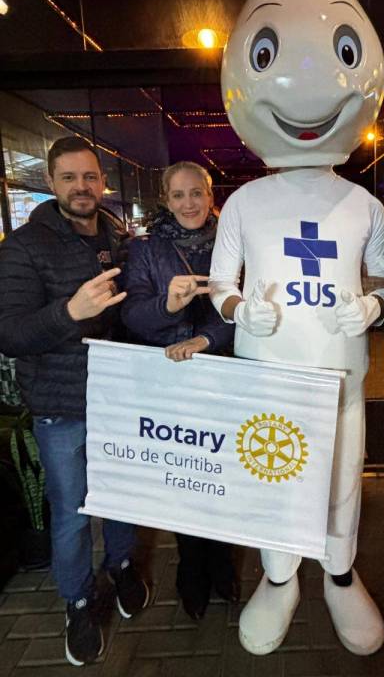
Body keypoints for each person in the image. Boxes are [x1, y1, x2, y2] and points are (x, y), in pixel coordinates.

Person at [210, 0, 384, 657]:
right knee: (273, 471)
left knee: (345, 472)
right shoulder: (244, 203)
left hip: (342, 370)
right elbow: (221, 281)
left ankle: (340, 573)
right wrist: (238, 309)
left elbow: (382, 275)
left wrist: (372, 304)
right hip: (269, 371)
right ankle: (280, 574)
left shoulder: (365, 204)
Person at [0, 136, 149, 667]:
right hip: (61, 407)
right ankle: (79, 601)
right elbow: (10, 334)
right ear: (50, 182)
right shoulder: (22, 246)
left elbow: (133, 317)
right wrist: (69, 312)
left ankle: (122, 565)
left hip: (119, 399)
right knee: (71, 512)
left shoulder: (119, 240)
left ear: (102, 182)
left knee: (123, 495)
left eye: (89, 177)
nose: (81, 187)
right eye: (68, 178)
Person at [121, 160, 237, 619]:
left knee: (222, 471)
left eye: (197, 193)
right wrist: (168, 306)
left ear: (210, 196)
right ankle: (191, 566)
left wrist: (206, 339)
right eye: (178, 195)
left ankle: (222, 561)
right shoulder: (146, 250)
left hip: (225, 373)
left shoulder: (233, 242)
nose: (189, 203)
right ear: (165, 201)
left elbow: (248, 307)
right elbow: (132, 315)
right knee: (186, 474)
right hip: (171, 379)